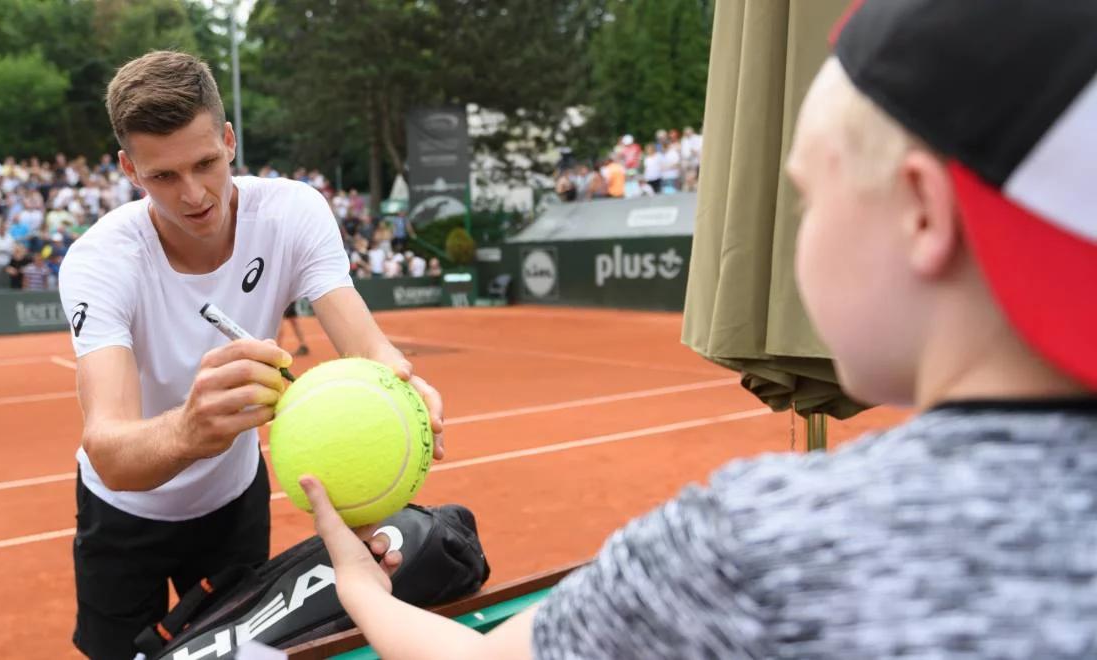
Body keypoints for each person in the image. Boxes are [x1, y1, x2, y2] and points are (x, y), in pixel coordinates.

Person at [297, 2, 1097, 658]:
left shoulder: (763, 547)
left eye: (808, 199)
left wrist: (361, 589)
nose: (799, 236)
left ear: (921, 212)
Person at [56, 51, 445, 660]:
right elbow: (109, 451)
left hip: (235, 500)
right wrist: (189, 429)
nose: (193, 195)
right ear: (130, 169)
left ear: (230, 139)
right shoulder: (99, 261)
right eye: (163, 176)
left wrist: (404, 389)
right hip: (122, 515)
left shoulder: (293, 212)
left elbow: (367, 346)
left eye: (206, 163)